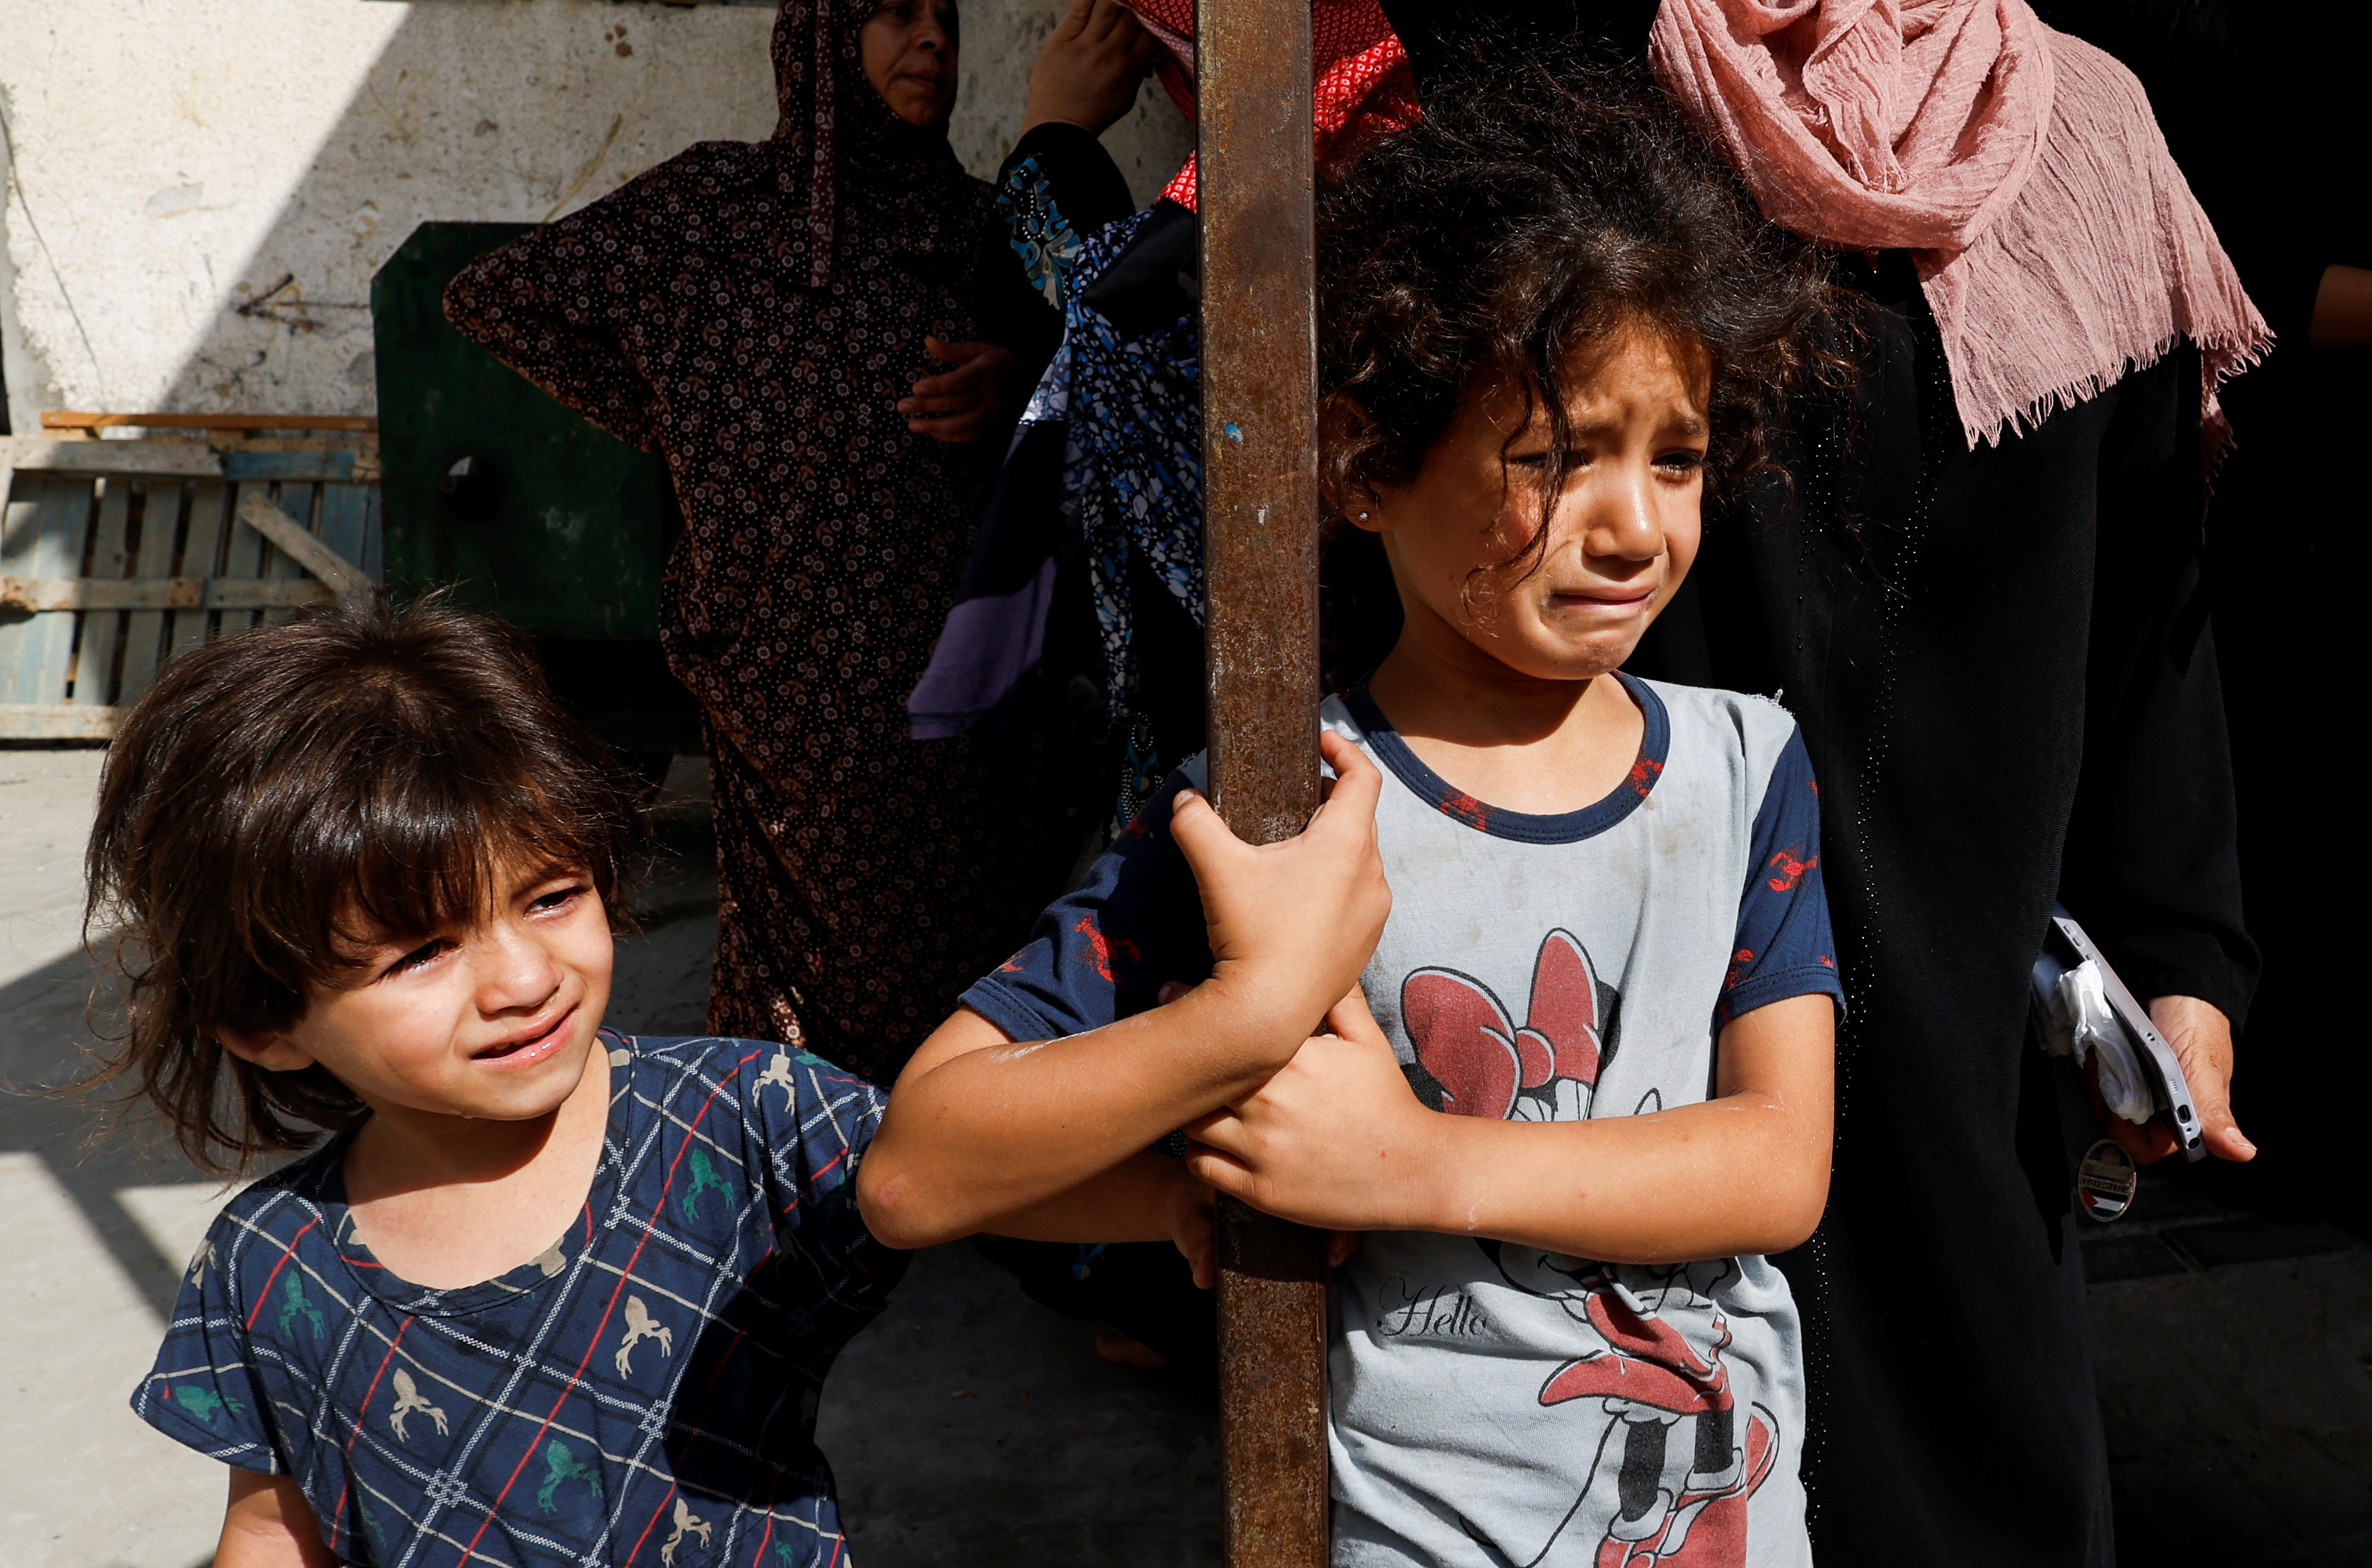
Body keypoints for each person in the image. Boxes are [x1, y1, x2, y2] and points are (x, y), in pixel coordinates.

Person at [863, 69, 1850, 1565]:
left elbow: (1778, 1163)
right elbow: (919, 1165)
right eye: (1552, 455)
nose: (1635, 524)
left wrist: (1414, 1168)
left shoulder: (1742, 767)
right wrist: (1238, 1043)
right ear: (1364, 463)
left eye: (1676, 457)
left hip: (1721, 1519)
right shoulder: (1277, 811)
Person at [1362, 4, 2267, 1564]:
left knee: (1983, 1459)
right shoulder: (1592, 92)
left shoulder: (2087, 137)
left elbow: (2151, 615)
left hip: (1968, 987)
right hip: (1637, 958)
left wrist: (2186, 958)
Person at [96, 596, 1368, 1565]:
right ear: (266, 1023)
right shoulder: (272, 1263)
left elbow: (927, 1179)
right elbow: (275, 1534)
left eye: (551, 895)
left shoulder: (732, 1115)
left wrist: (1158, 1203)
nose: (520, 975)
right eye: (423, 950)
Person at [442, 0, 1152, 1088]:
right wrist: (690, 418)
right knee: (818, 919)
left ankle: (966, 1124)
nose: (932, 45)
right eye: (895, 17)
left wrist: (1014, 379)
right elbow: (495, 298)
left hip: (952, 651)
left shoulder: (986, 222)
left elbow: (1096, 382)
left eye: (946, 23)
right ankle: (801, 1132)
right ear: (821, 41)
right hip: (782, 654)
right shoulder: (714, 209)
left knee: (974, 899)